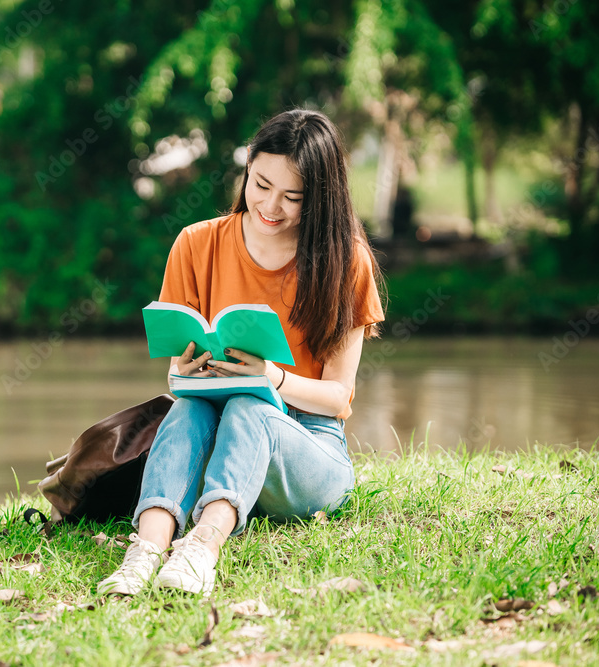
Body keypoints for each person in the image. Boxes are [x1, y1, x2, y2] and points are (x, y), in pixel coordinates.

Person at [97, 108, 385, 596]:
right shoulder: (196, 243)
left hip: (309, 448)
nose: (271, 205)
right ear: (246, 168)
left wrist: (270, 377)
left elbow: (338, 399)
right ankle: (145, 551)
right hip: (217, 438)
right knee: (188, 404)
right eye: (260, 184)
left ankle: (202, 550)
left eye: (293, 196)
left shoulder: (345, 261)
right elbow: (175, 374)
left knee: (250, 405)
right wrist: (186, 371)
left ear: (320, 198)